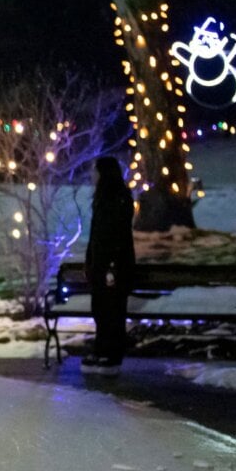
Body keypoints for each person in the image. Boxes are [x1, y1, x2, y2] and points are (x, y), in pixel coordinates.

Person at [82, 156, 135, 376]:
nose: (92, 176)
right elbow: (97, 235)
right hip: (101, 264)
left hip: (113, 265)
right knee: (101, 309)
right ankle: (102, 347)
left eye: (95, 171)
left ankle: (112, 352)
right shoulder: (103, 198)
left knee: (112, 309)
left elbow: (116, 235)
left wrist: (111, 263)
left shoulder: (117, 198)